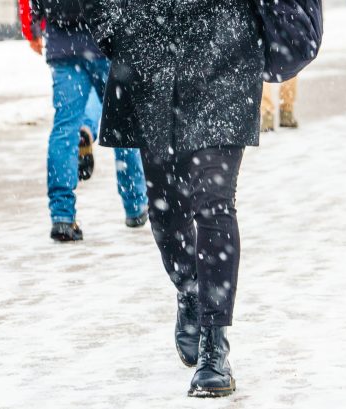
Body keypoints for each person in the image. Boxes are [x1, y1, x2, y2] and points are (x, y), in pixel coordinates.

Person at [87, 0, 263, 398]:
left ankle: (214, 343)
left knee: (214, 202)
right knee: (166, 209)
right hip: (152, 51)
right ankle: (189, 287)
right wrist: (112, 26)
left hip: (225, 48)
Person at [26, 0, 149, 242]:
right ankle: (135, 204)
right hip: (105, 40)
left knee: (64, 128)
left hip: (62, 43)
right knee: (123, 121)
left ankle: (62, 216)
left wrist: (33, 26)